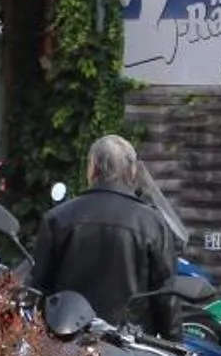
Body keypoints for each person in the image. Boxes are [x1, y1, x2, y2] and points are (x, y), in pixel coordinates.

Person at [28, 134, 178, 340]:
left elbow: (38, 290)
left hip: (69, 345)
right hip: (132, 349)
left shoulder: (58, 219)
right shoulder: (152, 223)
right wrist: (176, 349)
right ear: (132, 170)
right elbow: (166, 298)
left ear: (92, 168)